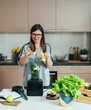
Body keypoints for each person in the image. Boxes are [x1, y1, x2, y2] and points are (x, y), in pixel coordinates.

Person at [18, 24, 53, 89]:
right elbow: (21, 63)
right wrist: (26, 56)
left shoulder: (47, 47)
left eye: (38, 34)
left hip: (44, 81)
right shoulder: (26, 47)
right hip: (29, 81)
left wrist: (48, 58)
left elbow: (49, 66)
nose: (36, 37)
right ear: (31, 35)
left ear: (42, 35)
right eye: (34, 34)